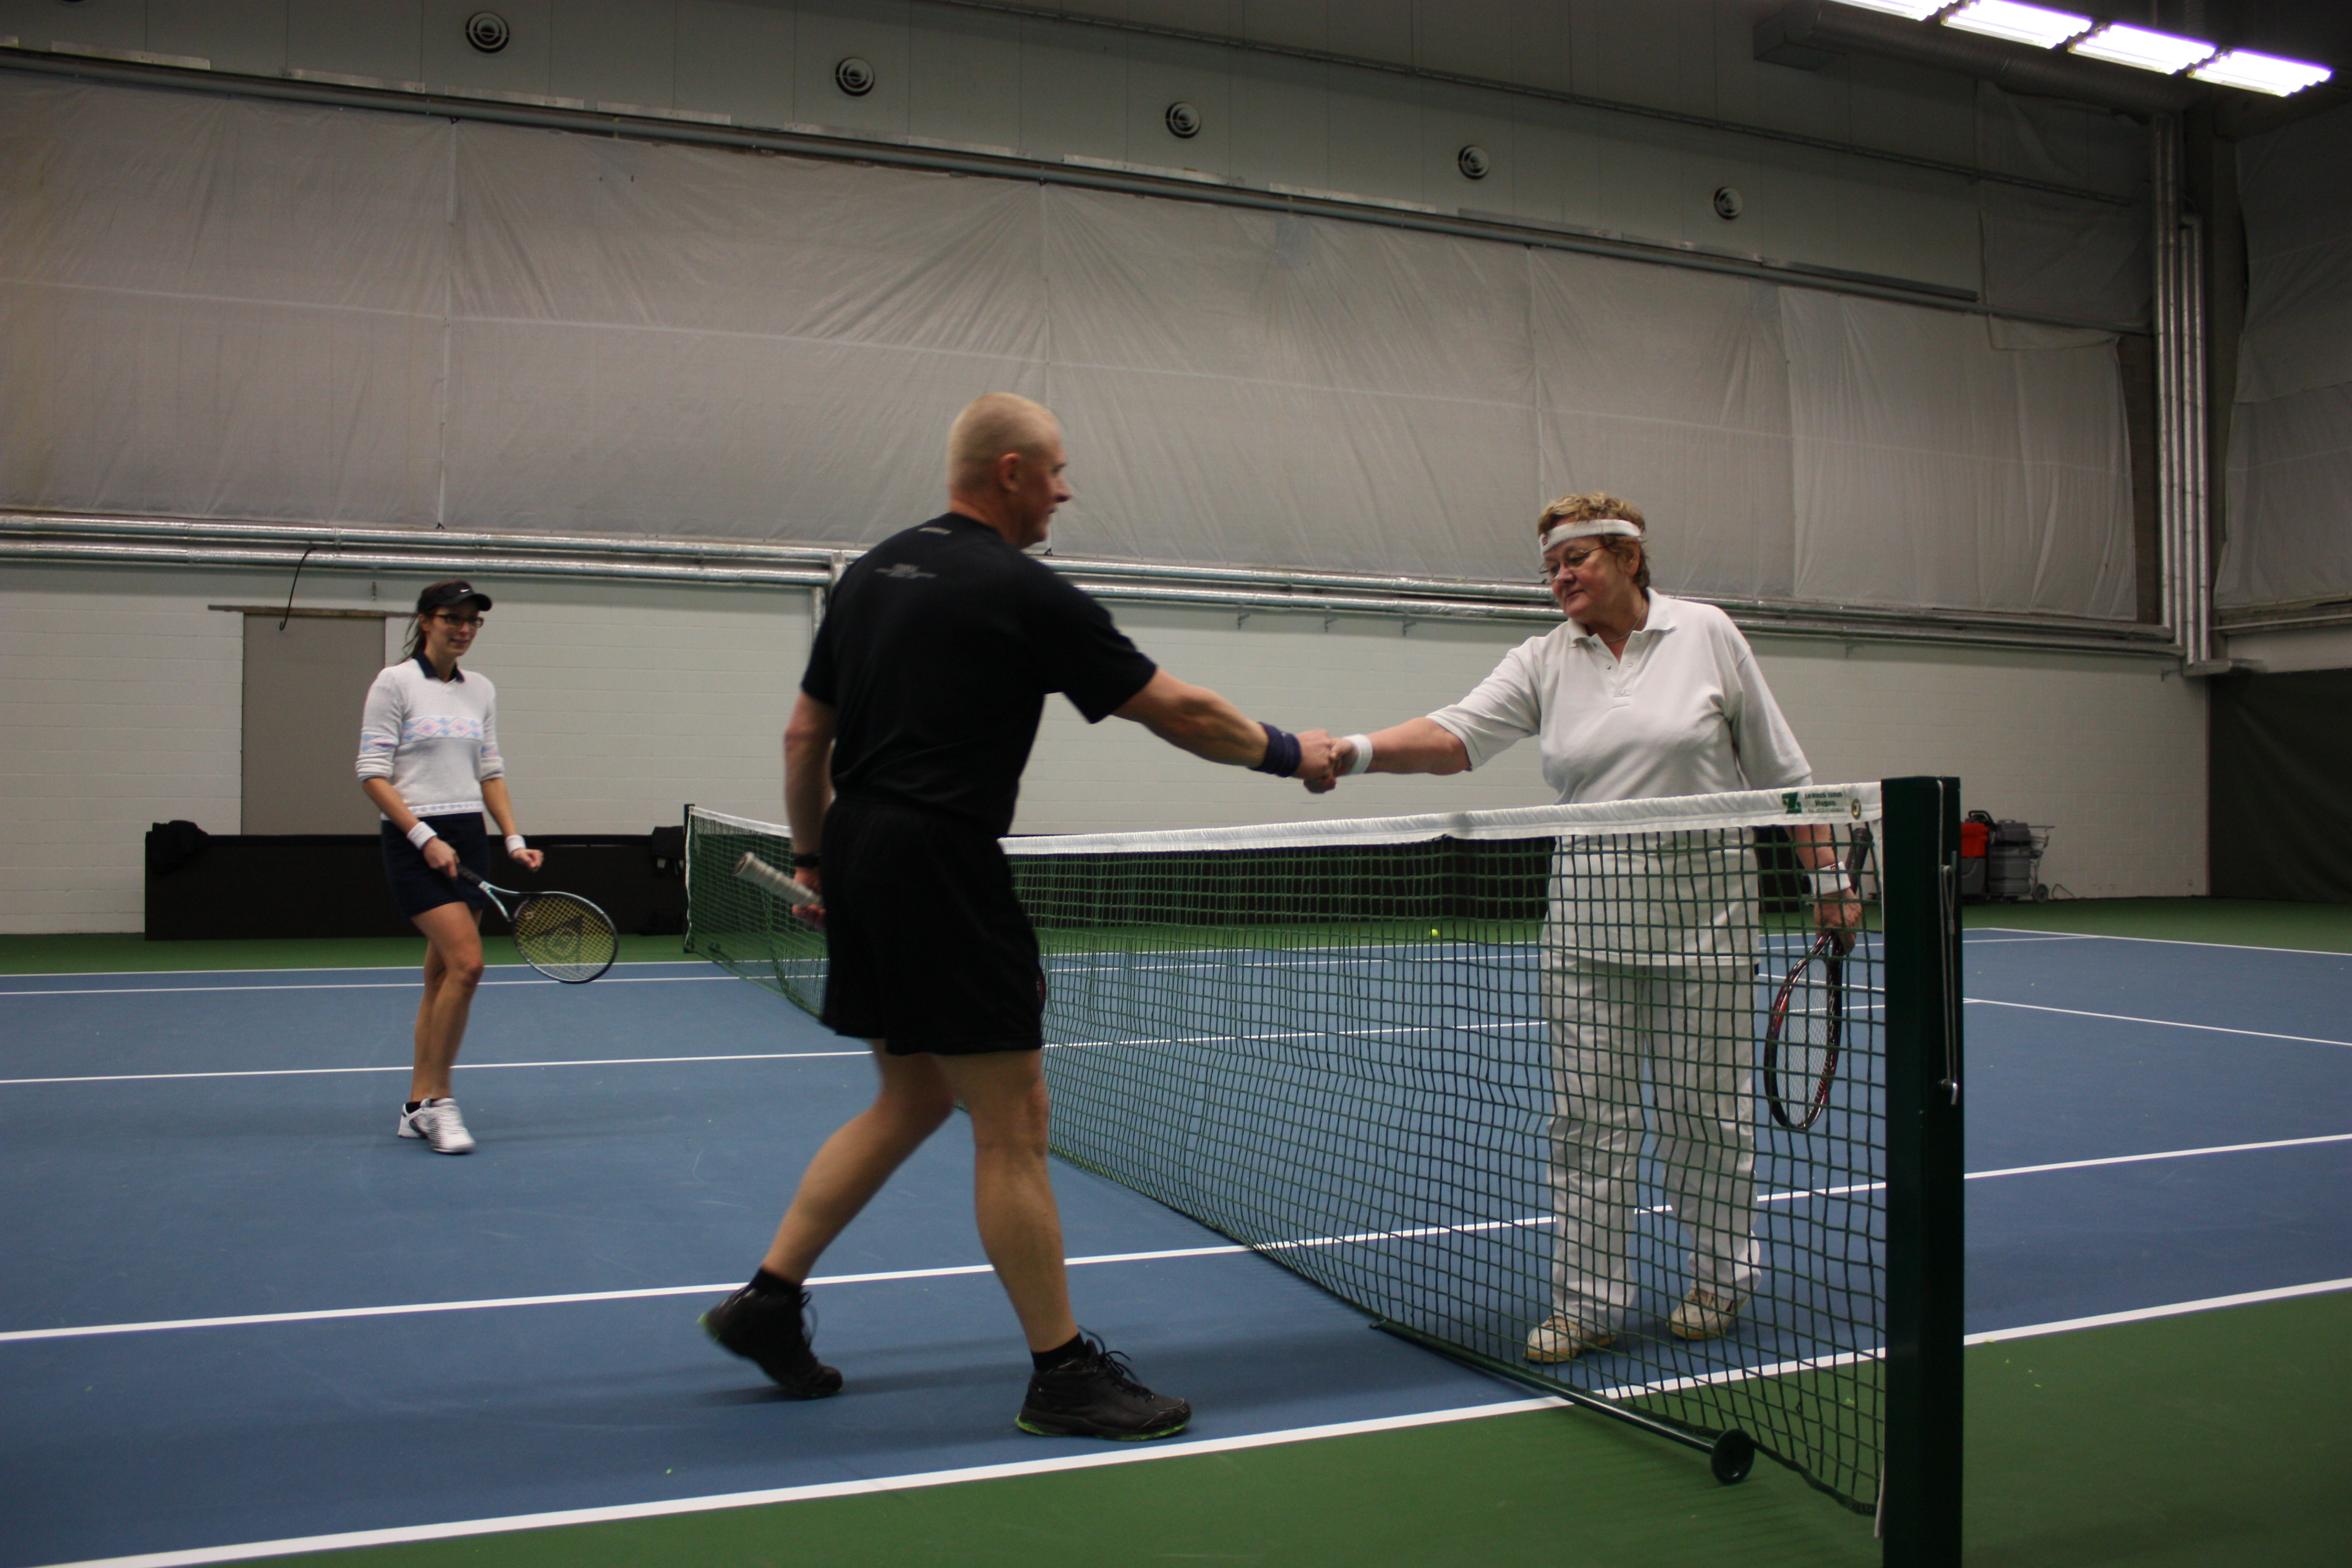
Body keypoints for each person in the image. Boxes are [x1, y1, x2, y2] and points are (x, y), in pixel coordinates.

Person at [701, 393, 1336, 1439]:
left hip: (859, 839)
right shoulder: (1023, 590)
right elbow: (1178, 710)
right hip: (941, 859)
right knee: (1015, 1122)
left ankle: (767, 1303)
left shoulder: (869, 574)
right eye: (1056, 471)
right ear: (1010, 472)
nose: (1064, 491)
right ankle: (1062, 1372)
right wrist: (1288, 750)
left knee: (911, 1097)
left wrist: (819, 859)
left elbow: (802, 736)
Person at [1320, 493, 1860, 1362]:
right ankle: (1588, 1303)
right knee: (1586, 1126)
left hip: (1709, 927)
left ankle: (1720, 1280)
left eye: (1576, 560)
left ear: (1628, 558)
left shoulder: (1707, 635)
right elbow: (1457, 736)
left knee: (1706, 1121)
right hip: (1586, 931)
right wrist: (1356, 751)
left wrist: (1829, 878)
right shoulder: (1544, 659)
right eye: (1550, 568)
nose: (1560, 578)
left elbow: (1786, 776)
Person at [356, 580, 545, 1156]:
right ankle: (441, 1102)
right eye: (451, 618)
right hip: (414, 839)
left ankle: (416, 1107)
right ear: (425, 620)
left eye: (472, 621)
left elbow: (490, 770)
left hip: (469, 837)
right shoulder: (394, 683)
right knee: (468, 964)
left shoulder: (481, 689)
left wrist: (513, 838)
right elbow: (371, 774)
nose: (463, 629)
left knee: (440, 979)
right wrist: (423, 837)